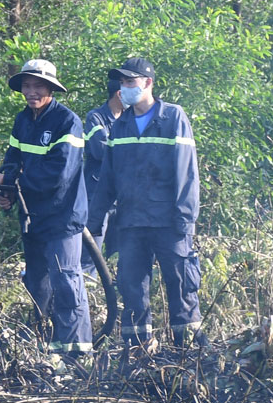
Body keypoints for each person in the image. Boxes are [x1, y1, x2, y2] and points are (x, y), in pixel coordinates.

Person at [87, 57, 204, 349]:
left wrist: (185, 221)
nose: (125, 88)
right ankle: (138, 354)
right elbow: (107, 180)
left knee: (181, 288)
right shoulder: (120, 126)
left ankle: (187, 354)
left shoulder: (173, 117)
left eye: (131, 81)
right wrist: (91, 223)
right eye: (123, 83)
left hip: (169, 223)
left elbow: (186, 174)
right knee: (132, 291)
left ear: (148, 83)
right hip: (131, 224)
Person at [0, 58, 92, 355]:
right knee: (37, 284)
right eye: (27, 86)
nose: (31, 91)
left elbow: (58, 174)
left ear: (51, 89)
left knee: (66, 284)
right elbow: (13, 159)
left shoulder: (68, 122)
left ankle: (77, 354)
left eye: (37, 86)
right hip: (33, 218)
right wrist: (8, 191)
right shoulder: (22, 120)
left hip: (62, 218)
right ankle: (44, 348)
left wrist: (9, 179)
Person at [81, 70, 124, 271]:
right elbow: (101, 151)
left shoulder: (129, 120)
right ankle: (86, 296)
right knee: (91, 255)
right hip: (96, 196)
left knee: (120, 253)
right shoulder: (95, 117)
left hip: (122, 197)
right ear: (119, 93)